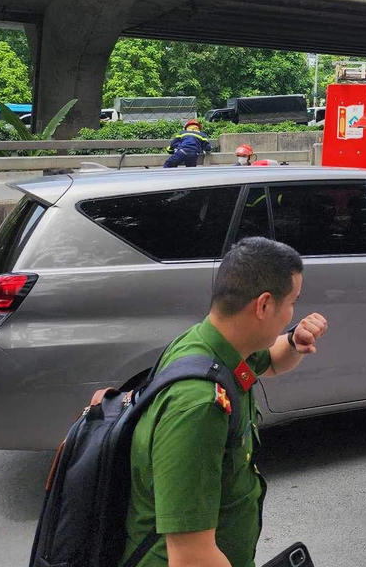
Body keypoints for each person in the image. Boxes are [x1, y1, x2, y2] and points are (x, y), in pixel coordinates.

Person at [121, 237, 328, 567]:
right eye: (292, 302)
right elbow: (191, 557)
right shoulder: (199, 406)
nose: (293, 312)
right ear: (262, 305)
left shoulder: (215, 344)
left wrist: (293, 340)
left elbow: (273, 360)